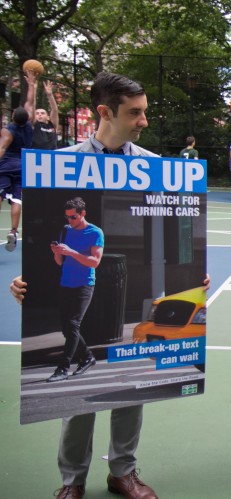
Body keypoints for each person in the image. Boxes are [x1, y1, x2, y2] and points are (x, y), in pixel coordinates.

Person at [53, 72, 157, 499]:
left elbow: (173, 225)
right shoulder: (61, 163)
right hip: (79, 280)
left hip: (131, 286)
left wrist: (196, 271)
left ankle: (122, 472)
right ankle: (72, 481)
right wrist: (24, 280)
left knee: (130, 382)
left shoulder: (153, 165)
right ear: (104, 112)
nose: (143, 122)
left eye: (144, 112)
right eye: (135, 113)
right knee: (80, 389)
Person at [46, 197, 103, 383]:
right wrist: (57, 253)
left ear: (83, 214)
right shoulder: (65, 230)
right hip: (66, 283)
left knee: (73, 324)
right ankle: (87, 357)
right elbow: (60, 262)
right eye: (67, 217)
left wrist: (71, 252)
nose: (70, 221)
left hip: (84, 284)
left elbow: (95, 262)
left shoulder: (95, 232)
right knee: (67, 329)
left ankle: (62, 368)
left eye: (73, 217)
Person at [0, 70, 37, 251]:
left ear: (13, 117)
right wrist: (31, 85)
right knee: (17, 200)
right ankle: (14, 231)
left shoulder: (8, 131)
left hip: (7, 165)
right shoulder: (29, 125)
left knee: (0, 195)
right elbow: (29, 103)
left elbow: (2, 148)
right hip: (24, 166)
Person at [31, 77, 60, 150]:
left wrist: (50, 95)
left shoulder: (52, 125)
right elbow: (32, 105)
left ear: (48, 117)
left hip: (51, 156)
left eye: (42, 113)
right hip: (36, 155)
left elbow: (54, 110)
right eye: (37, 113)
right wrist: (33, 90)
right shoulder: (34, 125)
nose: (40, 114)